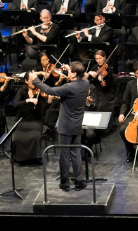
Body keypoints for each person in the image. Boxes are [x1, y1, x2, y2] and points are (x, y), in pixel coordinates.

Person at [32, 62, 90, 190]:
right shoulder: (86, 83)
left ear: (74, 74)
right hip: (77, 125)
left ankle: (65, 182)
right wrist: (70, 69)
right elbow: (80, 76)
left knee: (64, 154)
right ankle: (78, 181)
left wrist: (35, 80)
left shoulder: (68, 87)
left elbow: (49, 90)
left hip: (65, 126)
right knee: (76, 153)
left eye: (70, 71)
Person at [10, 76, 47, 163]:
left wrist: (48, 101)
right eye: (31, 81)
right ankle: (19, 157)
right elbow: (15, 105)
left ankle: (34, 157)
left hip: (36, 120)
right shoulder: (21, 91)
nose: (33, 83)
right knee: (16, 138)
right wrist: (27, 100)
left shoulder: (39, 92)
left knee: (35, 136)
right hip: (23, 120)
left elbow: (43, 111)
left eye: (34, 81)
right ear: (26, 81)